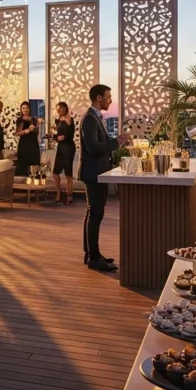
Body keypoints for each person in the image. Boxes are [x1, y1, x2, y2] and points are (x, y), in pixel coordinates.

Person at [79, 84, 131, 272]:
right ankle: (93, 257)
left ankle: (92, 253)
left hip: (98, 173)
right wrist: (115, 142)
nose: (110, 100)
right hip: (93, 173)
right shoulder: (90, 119)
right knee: (95, 213)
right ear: (99, 98)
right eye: (108, 97)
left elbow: (100, 144)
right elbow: (93, 147)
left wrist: (115, 141)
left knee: (94, 213)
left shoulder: (95, 117)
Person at [52, 102, 76, 205]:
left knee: (68, 172)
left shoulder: (69, 119)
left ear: (65, 108)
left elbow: (70, 135)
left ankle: (69, 195)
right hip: (61, 147)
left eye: (61, 109)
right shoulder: (58, 120)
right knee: (55, 172)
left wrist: (63, 137)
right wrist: (56, 137)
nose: (59, 111)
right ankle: (59, 192)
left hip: (69, 147)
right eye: (57, 110)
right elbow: (57, 135)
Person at [14, 101, 41, 177]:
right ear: (21, 109)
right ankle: (22, 186)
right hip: (24, 145)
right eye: (23, 108)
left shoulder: (34, 119)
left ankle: (35, 185)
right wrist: (28, 130)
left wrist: (37, 127)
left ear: (29, 109)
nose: (25, 109)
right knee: (23, 164)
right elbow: (17, 133)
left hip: (33, 144)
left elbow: (37, 133)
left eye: (27, 108)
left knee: (35, 163)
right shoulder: (19, 120)